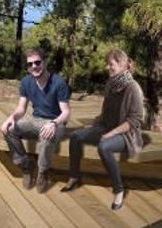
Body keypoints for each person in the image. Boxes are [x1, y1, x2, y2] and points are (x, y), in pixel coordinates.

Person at [61, 49, 145, 210]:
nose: (107, 67)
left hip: (126, 134)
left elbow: (135, 120)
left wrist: (110, 134)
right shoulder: (110, 84)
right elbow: (106, 112)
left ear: (121, 64)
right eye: (107, 64)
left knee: (104, 147)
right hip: (105, 128)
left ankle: (119, 190)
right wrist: (94, 126)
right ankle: (74, 177)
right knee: (76, 136)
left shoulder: (133, 88)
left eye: (110, 64)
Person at [0, 48, 71, 193]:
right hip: (36, 119)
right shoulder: (26, 82)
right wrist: (11, 118)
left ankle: (42, 172)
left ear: (44, 62)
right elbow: (21, 108)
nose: (34, 67)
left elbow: (66, 112)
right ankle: (26, 165)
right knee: (9, 130)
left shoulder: (58, 82)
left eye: (37, 62)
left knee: (46, 136)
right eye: (30, 64)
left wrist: (53, 124)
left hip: (56, 122)